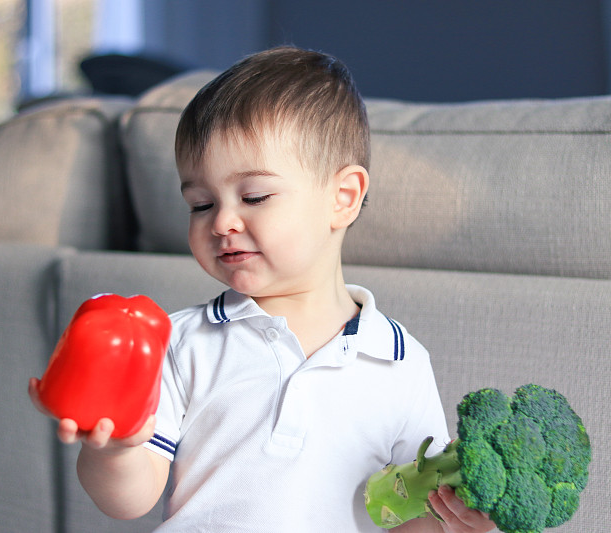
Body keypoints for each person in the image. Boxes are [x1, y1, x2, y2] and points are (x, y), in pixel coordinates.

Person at [30, 46, 496, 532]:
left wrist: (452, 524)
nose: (223, 222)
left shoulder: (400, 362)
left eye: (254, 196)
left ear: (343, 198)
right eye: (200, 204)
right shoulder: (180, 341)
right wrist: (115, 451)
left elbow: (410, 514)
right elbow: (130, 500)